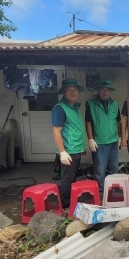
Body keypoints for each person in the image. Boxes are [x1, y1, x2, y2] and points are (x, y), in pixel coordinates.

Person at [51, 78, 87, 209]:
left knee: (72, 178)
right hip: (68, 151)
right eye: (68, 90)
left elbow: (75, 128)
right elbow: (56, 130)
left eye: (75, 90)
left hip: (76, 149)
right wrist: (62, 152)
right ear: (63, 92)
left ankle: (72, 201)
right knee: (67, 179)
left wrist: (82, 147)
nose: (72, 92)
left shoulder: (74, 107)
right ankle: (66, 206)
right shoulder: (60, 108)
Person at [85, 79, 121, 199]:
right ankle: (100, 194)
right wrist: (90, 138)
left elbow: (118, 121)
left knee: (114, 168)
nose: (105, 92)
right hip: (99, 142)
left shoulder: (114, 104)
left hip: (113, 141)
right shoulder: (91, 104)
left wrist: (120, 136)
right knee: (100, 169)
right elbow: (88, 122)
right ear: (98, 90)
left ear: (110, 91)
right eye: (102, 89)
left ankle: (113, 191)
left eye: (107, 90)